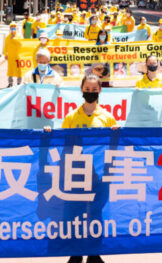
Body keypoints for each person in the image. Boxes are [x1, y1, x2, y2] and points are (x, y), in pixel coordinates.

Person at [44, 74, 118, 263]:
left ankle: (94, 253)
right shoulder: (71, 117)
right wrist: (49, 134)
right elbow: (63, 143)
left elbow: (114, 146)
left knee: (96, 213)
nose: (90, 93)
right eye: (87, 89)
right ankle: (75, 253)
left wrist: (109, 170)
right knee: (73, 213)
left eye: (94, 90)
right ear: (82, 89)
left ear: (100, 91)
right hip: (75, 174)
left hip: (98, 176)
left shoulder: (108, 118)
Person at [4, 22, 23, 87]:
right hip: (10, 56)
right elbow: (5, 46)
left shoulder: (19, 36)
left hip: (18, 56)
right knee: (10, 70)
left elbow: (21, 44)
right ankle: (10, 83)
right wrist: (5, 54)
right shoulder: (7, 37)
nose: (13, 29)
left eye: (14, 27)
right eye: (11, 27)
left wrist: (14, 39)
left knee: (19, 69)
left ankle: (19, 82)